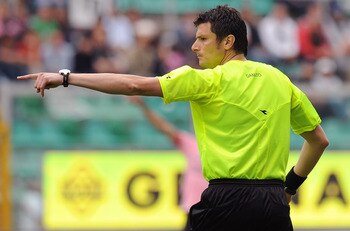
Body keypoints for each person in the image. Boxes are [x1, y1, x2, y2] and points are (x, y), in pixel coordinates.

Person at [17, 5, 329, 231]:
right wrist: (289, 188)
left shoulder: (207, 80)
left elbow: (133, 84)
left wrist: (67, 77)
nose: (194, 46)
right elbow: (318, 140)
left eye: (203, 39)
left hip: (225, 200)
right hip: (273, 205)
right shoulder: (280, 80)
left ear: (228, 42)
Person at [128, 96, 207, 231]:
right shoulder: (191, 143)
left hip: (213, 207)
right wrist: (144, 107)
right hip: (193, 208)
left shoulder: (221, 147)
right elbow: (163, 126)